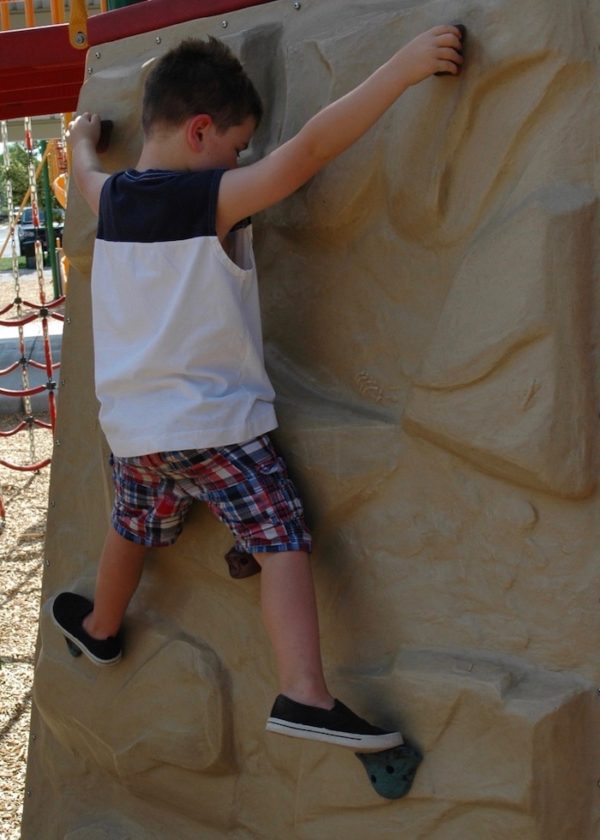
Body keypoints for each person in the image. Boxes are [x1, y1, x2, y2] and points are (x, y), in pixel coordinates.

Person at [52, 27, 464, 752]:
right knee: (281, 537)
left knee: (132, 523)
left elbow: (84, 169)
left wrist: (82, 137)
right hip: (217, 428)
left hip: (136, 437)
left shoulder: (112, 197)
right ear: (202, 131)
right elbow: (307, 151)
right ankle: (303, 691)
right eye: (237, 145)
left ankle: (101, 626)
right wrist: (400, 69)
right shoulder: (209, 200)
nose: (242, 160)